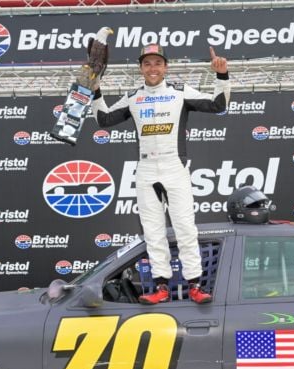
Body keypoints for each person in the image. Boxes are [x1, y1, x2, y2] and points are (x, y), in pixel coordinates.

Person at [91, 43, 230, 304]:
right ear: (141, 68)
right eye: (147, 63)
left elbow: (218, 104)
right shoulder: (133, 96)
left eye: (157, 63)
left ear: (165, 67)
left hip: (174, 167)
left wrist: (221, 75)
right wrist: (95, 89)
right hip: (145, 170)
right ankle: (161, 287)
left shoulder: (179, 92)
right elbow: (104, 120)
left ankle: (195, 286)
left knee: (185, 229)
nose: (152, 68)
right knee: (153, 233)